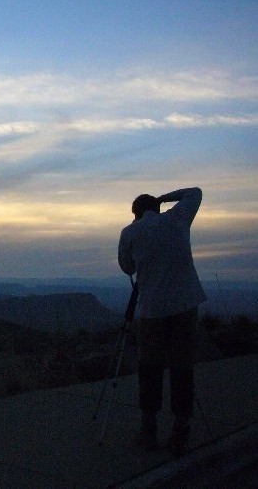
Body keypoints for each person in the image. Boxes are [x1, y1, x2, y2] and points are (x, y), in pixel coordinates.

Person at [118, 187, 207, 455]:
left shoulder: (131, 232)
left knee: (150, 368)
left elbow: (127, 268)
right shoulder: (178, 217)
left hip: (152, 310)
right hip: (186, 305)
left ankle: (149, 430)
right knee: (182, 367)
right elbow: (195, 192)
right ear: (156, 207)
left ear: (136, 214)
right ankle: (180, 430)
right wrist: (163, 199)